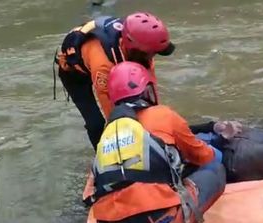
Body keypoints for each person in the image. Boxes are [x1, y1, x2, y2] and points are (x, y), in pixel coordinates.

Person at [86, 62, 226, 223]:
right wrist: (219, 147)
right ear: (147, 90)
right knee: (215, 171)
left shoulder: (109, 133)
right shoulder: (163, 114)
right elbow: (205, 157)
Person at [55, 11, 175, 149]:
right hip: (75, 74)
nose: (153, 56)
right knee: (96, 123)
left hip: (102, 60)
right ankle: (100, 157)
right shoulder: (104, 64)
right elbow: (113, 115)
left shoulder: (142, 48)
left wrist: (156, 121)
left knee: (143, 109)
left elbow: (150, 89)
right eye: (151, 53)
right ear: (137, 50)